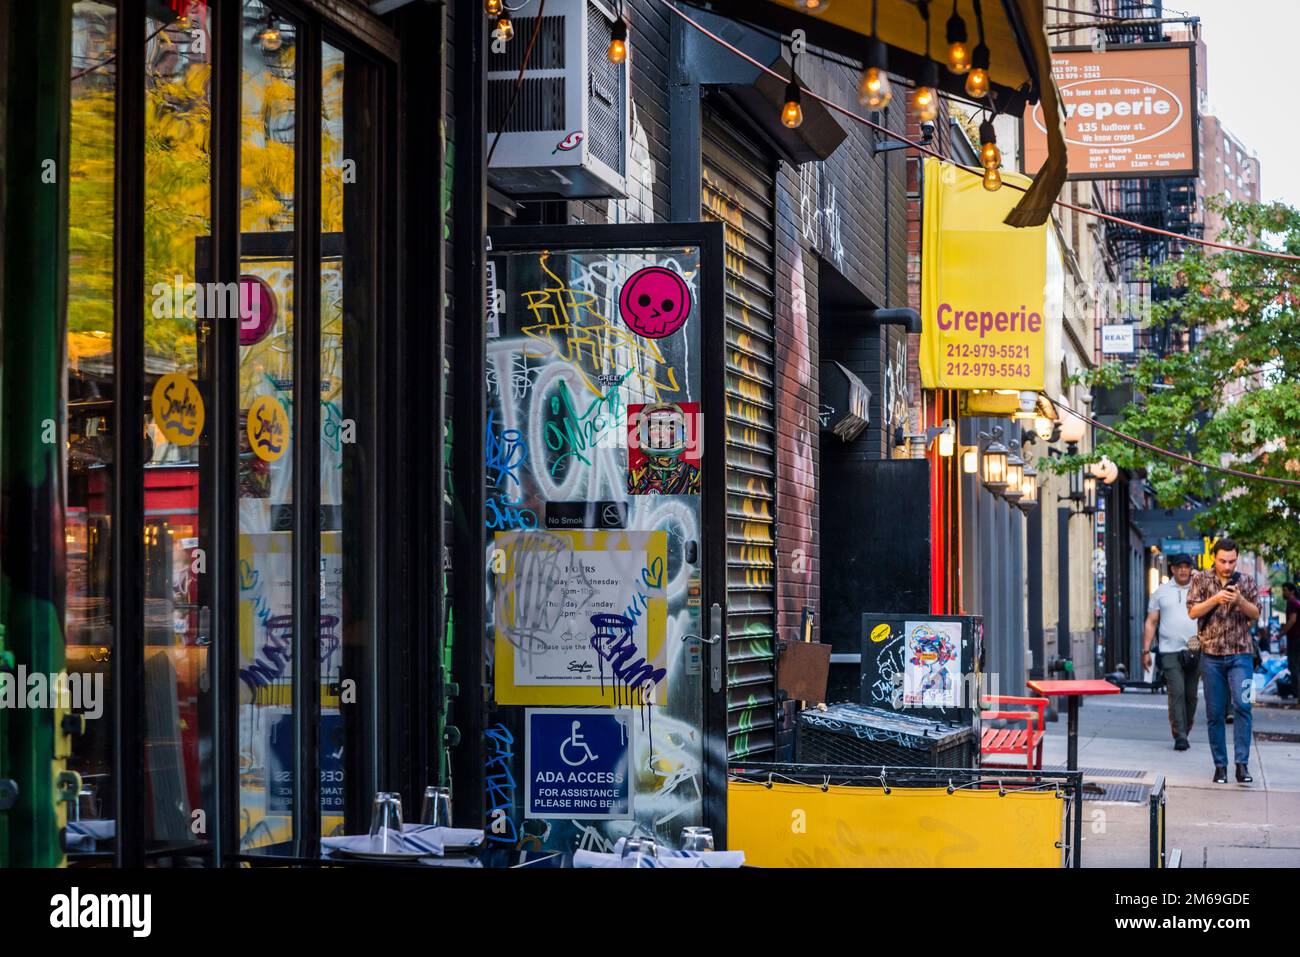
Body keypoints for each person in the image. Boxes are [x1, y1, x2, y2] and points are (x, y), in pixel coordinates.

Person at [1187, 538, 1262, 784]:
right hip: (1211, 656)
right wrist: (1216, 599)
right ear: (1214, 558)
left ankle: (1242, 765)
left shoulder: (1247, 581)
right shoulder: (1200, 579)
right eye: (1222, 561)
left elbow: (1256, 614)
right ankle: (1220, 766)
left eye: (1231, 561)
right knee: (1215, 712)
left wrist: (1239, 600)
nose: (1227, 566)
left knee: (1244, 706)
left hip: (1242, 655)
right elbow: (1192, 612)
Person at [1142, 554, 1199, 750]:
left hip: (1195, 648)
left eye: (1187, 566)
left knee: (1191, 696)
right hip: (1169, 650)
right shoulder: (1161, 592)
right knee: (1177, 692)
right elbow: (1151, 622)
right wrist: (1146, 650)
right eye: (1179, 567)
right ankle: (1180, 735)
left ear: (1191, 569)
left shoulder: (1200, 589)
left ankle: (1186, 729)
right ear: (1172, 569)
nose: (1183, 570)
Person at [1283, 582, 1300, 700]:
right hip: (1297, 637)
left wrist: (1282, 632)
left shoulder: (1292, 603)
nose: (1283, 592)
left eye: (1285, 590)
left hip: (1295, 638)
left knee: (1293, 665)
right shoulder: (1297, 602)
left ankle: (1296, 692)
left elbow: (1292, 620)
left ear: (1291, 591)